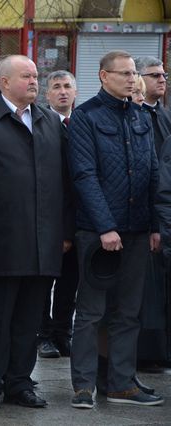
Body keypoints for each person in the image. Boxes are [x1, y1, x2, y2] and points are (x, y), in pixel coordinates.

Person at [0, 55, 70, 409]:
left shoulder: (49, 121)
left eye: (36, 76)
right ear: (3, 82)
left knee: (29, 320)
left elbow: (64, 182)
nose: (34, 81)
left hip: (42, 241)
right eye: (26, 76)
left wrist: (64, 232)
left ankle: (20, 381)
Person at [68, 50, 163, 409]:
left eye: (133, 73)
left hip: (138, 230)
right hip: (97, 233)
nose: (130, 78)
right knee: (91, 312)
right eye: (123, 73)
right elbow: (84, 176)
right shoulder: (85, 117)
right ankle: (83, 385)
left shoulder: (141, 116)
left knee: (128, 311)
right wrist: (106, 226)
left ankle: (121, 383)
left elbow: (153, 172)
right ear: (104, 76)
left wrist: (154, 225)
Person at [37, 70, 79, 360]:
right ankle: (44, 335)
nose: (62, 92)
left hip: (80, 217)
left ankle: (64, 333)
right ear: (47, 94)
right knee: (44, 282)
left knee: (70, 282)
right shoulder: (42, 123)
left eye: (67, 86)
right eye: (56, 87)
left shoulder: (83, 122)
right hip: (50, 218)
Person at [134, 56, 171, 369]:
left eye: (164, 75)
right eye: (155, 75)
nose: (162, 80)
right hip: (144, 217)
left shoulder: (165, 117)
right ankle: (146, 353)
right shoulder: (135, 116)